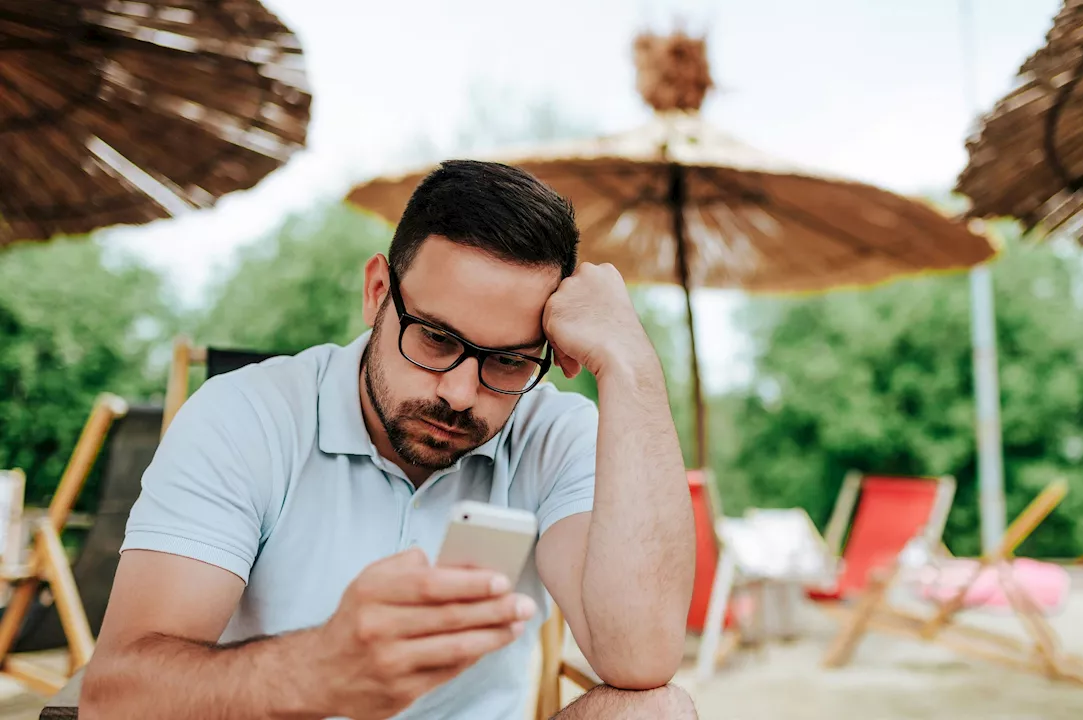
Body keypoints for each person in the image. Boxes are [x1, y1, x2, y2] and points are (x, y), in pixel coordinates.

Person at [80, 160, 698, 719]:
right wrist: (318, 669)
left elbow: (640, 658)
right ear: (378, 294)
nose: (460, 393)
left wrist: (632, 367)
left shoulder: (550, 432)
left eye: (508, 361)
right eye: (435, 338)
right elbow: (114, 696)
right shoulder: (245, 417)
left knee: (656, 711)